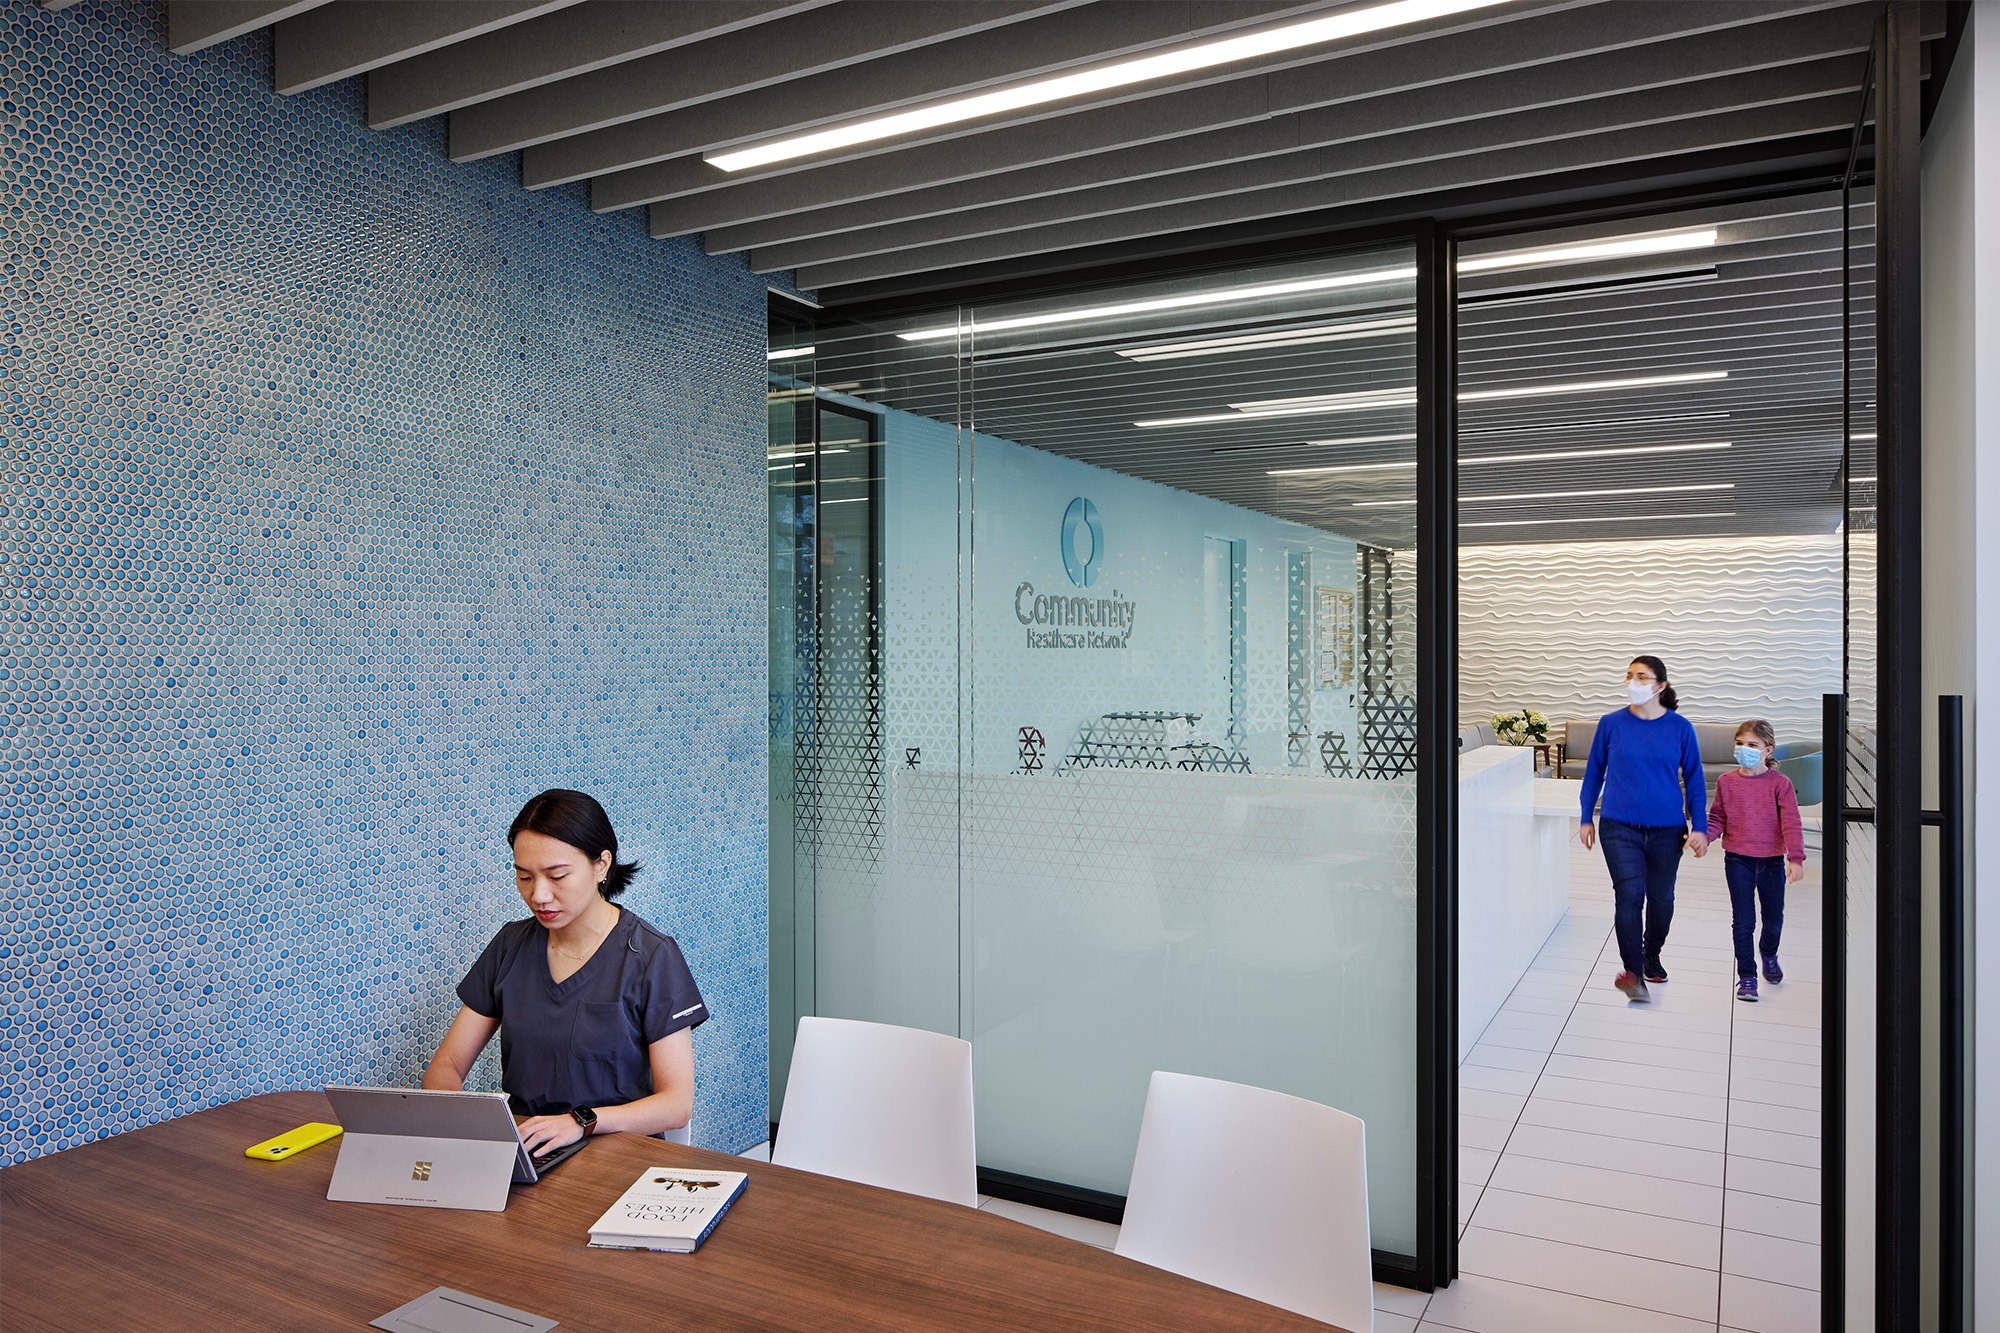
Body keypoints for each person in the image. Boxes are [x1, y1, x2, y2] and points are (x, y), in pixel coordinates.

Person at [422, 789, 705, 1154]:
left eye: (556, 876)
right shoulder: (511, 946)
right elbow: (445, 1066)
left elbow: (676, 1104)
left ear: (601, 864)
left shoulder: (651, 956)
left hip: (619, 1155)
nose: (538, 894)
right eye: (524, 877)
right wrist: (476, 1128)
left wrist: (581, 1122)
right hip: (528, 1152)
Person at [1578, 655, 1710, 1002]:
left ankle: (1651, 954)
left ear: (1660, 686)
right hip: (1618, 826)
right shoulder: (1611, 724)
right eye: (1630, 675)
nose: (1633, 682)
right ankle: (1633, 974)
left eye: (1642, 676)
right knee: (1629, 897)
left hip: (1668, 830)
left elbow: (1695, 779)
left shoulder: (1681, 728)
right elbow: (1594, 772)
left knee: (1662, 899)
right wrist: (1585, 816)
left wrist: (1701, 826)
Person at [1708, 720, 1807, 1002]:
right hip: (1737, 859)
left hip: (1772, 862)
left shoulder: (1780, 784)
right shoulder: (1727, 782)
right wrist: (1705, 837)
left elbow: (1791, 823)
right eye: (1740, 743)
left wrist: (1796, 858)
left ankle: (1769, 953)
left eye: (1752, 745)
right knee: (1742, 921)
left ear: (1768, 750)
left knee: (1773, 918)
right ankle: (1747, 977)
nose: (1744, 749)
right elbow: (1717, 818)